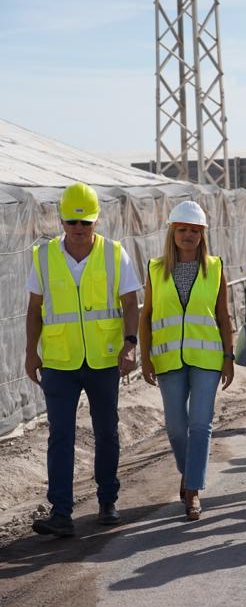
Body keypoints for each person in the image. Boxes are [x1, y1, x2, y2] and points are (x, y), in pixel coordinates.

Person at [25, 182, 141, 537]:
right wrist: (31, 352)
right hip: (60, 362)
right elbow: (34, 309)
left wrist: (130, 344)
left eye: (85, 223)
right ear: (61, 221)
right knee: (60, 435)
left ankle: (108, 501)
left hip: (104, 361)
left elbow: (130, 302)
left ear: (96, 222)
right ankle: (61, 512)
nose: (79, 229)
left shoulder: (114, 253)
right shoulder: (43, 256)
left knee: (106, 431)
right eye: (72, 222)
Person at [139, 200, 234, 520]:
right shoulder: (155, 268)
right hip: (167, 359)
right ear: (173, 232)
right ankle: (188, 471)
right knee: (176, 426)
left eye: (194, 230)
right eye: (182, 229)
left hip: (206, 357)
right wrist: (145, 356)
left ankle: (193, 490)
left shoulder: (215, 267)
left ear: (203, 234)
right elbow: (146, 315)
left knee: (200, 423)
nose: (188, 235)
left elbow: (223, 316)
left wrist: (228, 356)